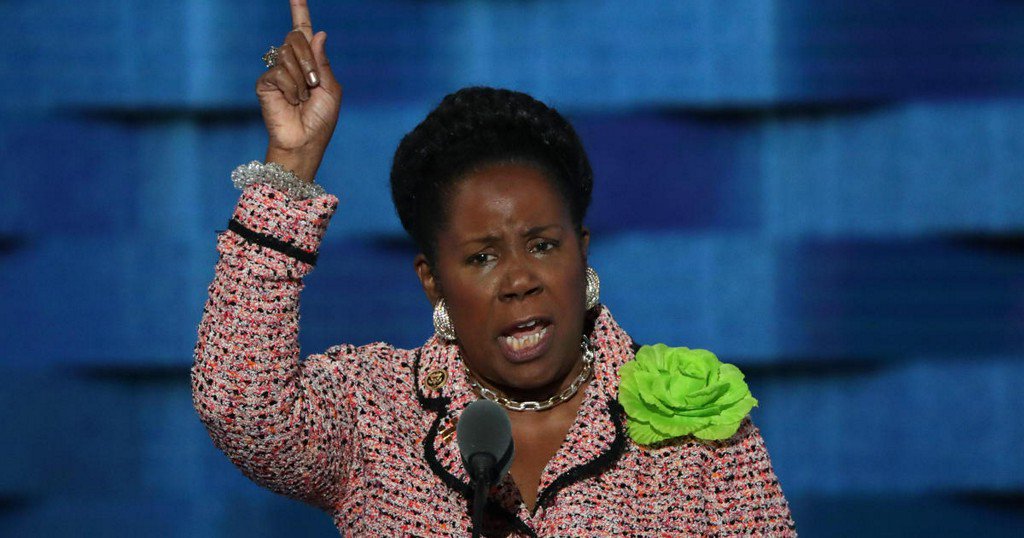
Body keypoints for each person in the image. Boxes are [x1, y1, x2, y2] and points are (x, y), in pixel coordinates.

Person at [191, 2, 796, 535]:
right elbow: (238, 404)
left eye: (543, 245)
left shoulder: (698, 423)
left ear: (582, 251)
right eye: (482, 257)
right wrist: (291, 163)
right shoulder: (375, 413)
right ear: (433, 281)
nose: (519, 280)